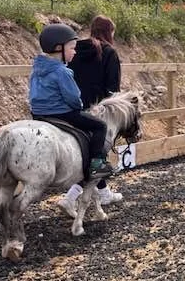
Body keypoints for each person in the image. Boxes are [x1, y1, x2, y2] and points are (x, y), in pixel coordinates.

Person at [29, 23, 114, 181]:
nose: (74, 52)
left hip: (38, 115)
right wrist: (79, 107)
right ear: (58, 48)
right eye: (72, 48)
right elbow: (73, 98)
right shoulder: (62, 71)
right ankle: (96, 165)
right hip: (62, 114)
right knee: (100, 126)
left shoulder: (37, 68)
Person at [59, 16, 123, 213]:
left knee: (91, 152)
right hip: (98, 110)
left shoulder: (75, 50)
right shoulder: (109, 53)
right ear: (108, 32)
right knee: (99, 151)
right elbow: (113, 89)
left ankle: (104, 193)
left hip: (73, 107)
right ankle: (74, 195)